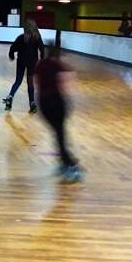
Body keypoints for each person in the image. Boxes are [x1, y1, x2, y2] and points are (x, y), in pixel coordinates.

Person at [35, 45, 82, 182]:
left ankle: (65, 160)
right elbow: (68, 77)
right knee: (60, 133)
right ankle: (70, 163)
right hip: (56, 101)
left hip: (44, 103)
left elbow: (35, 81)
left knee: (57, 133)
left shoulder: (40, 64)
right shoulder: (57, 65)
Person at [3, 20, 45, 113]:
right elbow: (42, 49)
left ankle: (10, 96)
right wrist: (42, 58)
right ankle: (32, 103)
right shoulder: (37, 38)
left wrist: (11, 55)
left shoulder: (21, 38)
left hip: (21, 60)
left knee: (18, 81)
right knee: (30, 82)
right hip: (32, 62)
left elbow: (12, 47)